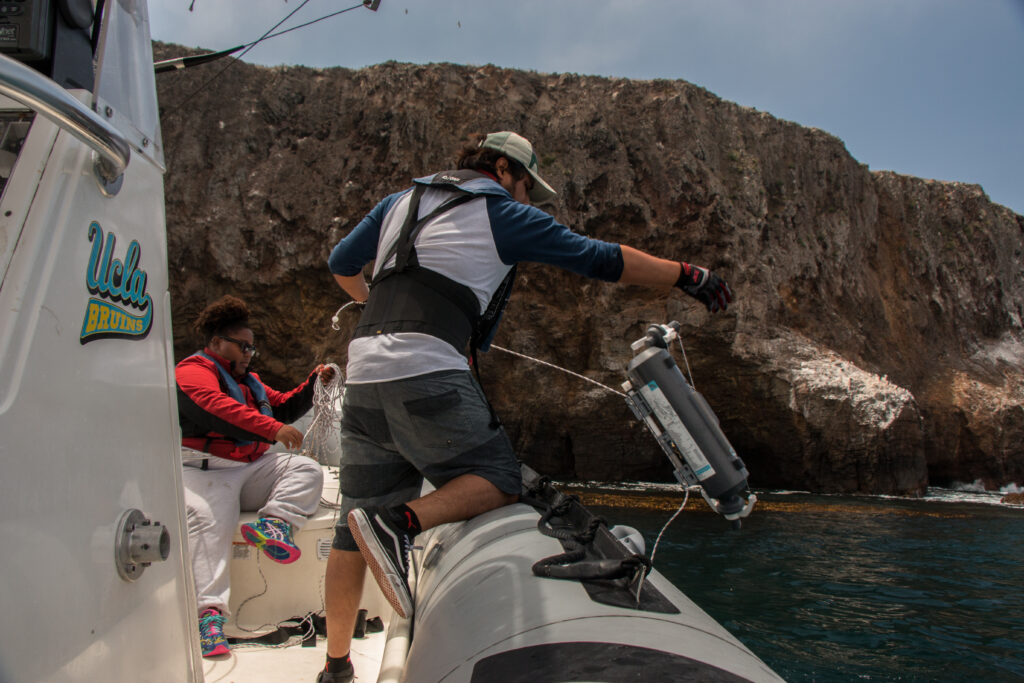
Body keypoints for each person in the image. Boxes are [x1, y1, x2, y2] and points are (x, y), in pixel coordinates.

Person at [318, 131, 732, 682]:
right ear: (501, 168)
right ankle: (398, 523)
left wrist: (387, 309)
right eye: (527, 186)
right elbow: (598, 259)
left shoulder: (400, 201)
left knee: (349, 531)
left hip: (364, 370)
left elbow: (341, 262)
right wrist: (688, 275)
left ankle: (336, 668)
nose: (530, 200)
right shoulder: (499, 212)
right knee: (498, 476)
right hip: (427, 371)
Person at [176, 295, 335, 658]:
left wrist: (314, 383)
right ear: (216, 343)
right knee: (206, 521)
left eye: (252, 347)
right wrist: (272, 429)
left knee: (306, 470)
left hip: (248, 469)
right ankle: (209, 618)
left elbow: (284, 404)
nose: (249, 353)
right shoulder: (192, 372)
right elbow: (216, 408)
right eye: (242, 346)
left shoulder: (251, 381)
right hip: (204, 471)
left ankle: (275, 525)